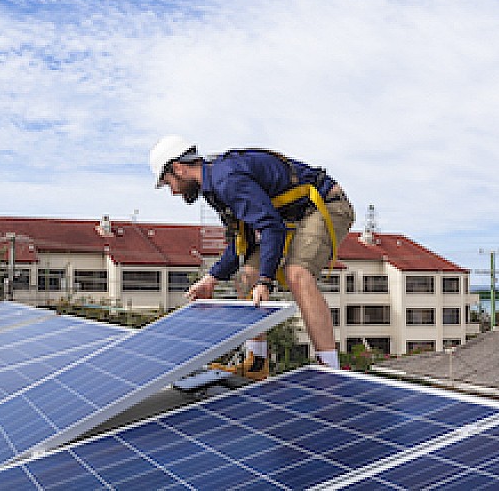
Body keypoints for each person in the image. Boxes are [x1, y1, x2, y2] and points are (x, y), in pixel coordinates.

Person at [149, 135, 354, 368]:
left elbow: (270, 227)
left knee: (297, 273)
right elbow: (241, 242)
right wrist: (211, 279)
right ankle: (256, 362)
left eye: (168, 183)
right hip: (290, 218)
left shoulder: (226, 180)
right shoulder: (214, 187)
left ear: (178, 168)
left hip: (326, 204)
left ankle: (330, 369)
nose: (173, 192)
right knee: (248, 275)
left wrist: (266, 281)